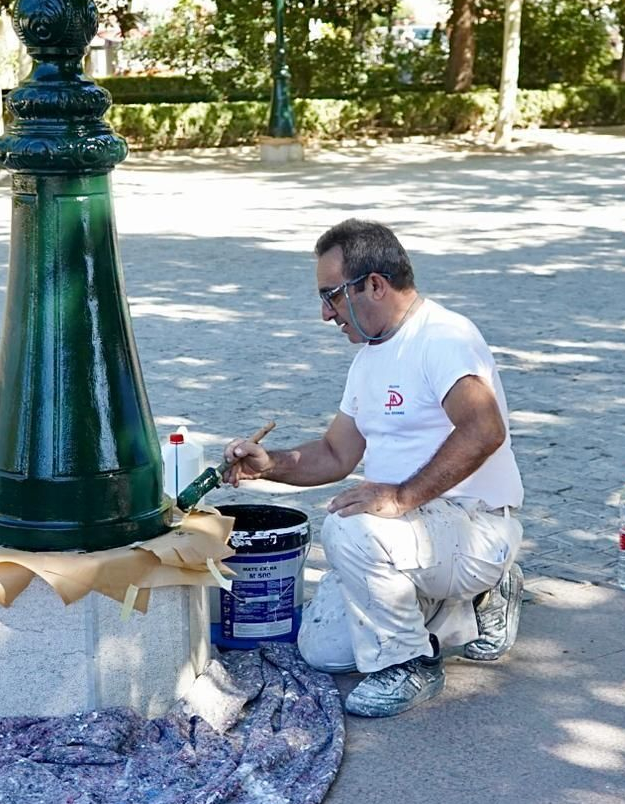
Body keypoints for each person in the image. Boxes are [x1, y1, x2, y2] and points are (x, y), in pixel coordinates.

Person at [222, 220, 525, 718]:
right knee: (322, 650)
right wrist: (269, 465)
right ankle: (468, 604)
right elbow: (337, 453)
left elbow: (483, 430)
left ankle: (411, 663)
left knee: (351, 526)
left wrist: (402, 497)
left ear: (376, 284)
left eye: (332, 296)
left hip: (473, 522)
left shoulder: (444, 337)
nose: (325, 314)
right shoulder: (369, 358)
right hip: (415, 534)